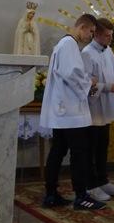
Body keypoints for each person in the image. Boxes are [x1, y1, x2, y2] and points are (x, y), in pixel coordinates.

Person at [40, 14, 106, 211]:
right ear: (82, 27)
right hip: (70, 111)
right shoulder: (69, 44)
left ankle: (51, 194)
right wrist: (89, 82)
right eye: (91, 32)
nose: (91, 36)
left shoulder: (64, 44)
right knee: (79, 153)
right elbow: (72, 73)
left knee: (58, 150)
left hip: (63, 109)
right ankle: (81, 196)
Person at [82, 17, 114, 202]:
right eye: (108, 35)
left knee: (103, 147)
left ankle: (103, 180)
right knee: (91, 149)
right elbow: (85, 84)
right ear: (97, 34)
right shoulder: (87, 53)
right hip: (93, 109)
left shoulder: (108, 50)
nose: (111, 38)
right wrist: (107, 87)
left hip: (106, 108)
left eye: (111, 35)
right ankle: (91, 185)